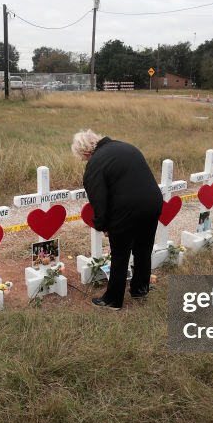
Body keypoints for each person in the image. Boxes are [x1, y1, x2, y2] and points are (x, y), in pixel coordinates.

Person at [73, 129, 162, 310]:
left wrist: (103, 225)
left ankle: (113, 300)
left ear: (85, 153)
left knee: (120, 255)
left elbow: (99, 200)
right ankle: (140, 289)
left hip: (127, 210)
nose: (85, 161)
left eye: (83, 159)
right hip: (153, 203)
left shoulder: (95, 164)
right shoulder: (126, 147)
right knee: (143, 249)